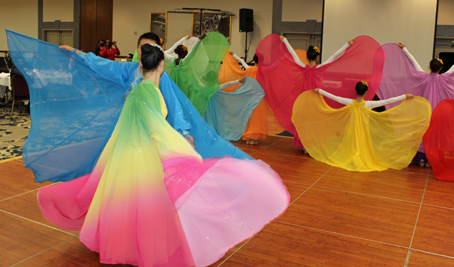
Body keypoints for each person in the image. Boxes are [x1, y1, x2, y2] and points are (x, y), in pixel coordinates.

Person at [37, 42, 290, 266]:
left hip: (128, 155)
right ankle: (149, 247)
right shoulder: (152, 92)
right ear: (161, 66)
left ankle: (126, 244)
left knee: (131, 203)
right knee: (159, 202)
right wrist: (184, 148)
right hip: (147, 155)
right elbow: (156, 128)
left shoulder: (136, 91)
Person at [6, 30, 251, 183]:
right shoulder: (127, 71)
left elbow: (176, 107)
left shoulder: (161, 78)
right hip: (129, 135)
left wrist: (185, 133)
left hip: (152, 137)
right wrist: (77, 53)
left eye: (149, 48)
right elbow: (100, 64)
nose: (142, 52)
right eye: (140, 48)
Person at [377, 43, 454, 167]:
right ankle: (432, 159)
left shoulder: (422, 77)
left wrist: (404, 50)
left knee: (423, 132)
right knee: (436, 134)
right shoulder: (445, 79)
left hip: (424, 112)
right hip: (438, 112)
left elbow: (414, 63)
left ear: (429, 67)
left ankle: (421, 159)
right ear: (441, 68)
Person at [256, 34, 384, 152]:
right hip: (316, 100)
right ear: (317, 57)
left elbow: (291, 53)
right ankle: (310, 145)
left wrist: (285, 41)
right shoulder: (320, 69)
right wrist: (347, 45)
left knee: (305, 122)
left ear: (307, 56)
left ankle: (304, 144)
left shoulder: (302, 66)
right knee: (314, 122)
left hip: (304, 100)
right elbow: (335, 56)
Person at [291, 81, 431, 171]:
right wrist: (404, 96)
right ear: (365, 92)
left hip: (351, 132)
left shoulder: (349, 102)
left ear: (356, 91)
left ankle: (352, 156)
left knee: (352, 147)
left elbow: (333, 97)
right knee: (362, 148)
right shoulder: (369, 104)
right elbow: (386, 101)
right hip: (363, 132)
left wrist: (320, 91)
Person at [218, 51, 283, 145]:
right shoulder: (264, 71)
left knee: (249, 116)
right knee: (256, 118)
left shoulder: (250, 69)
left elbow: (242, 62)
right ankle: (252, 138)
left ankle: (248, 137)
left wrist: (233, 55)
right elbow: (275, 68)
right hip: (259, 98)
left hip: (250, 97)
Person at [204, 76, 266, 141]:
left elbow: (227, 84)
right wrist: (238, 81)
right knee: (212, 122)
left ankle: (206, 135)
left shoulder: (204, 89)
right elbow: (228, 84)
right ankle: (210, 135)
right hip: (211, 111)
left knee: (205, 122)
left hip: (203, 110)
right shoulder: (214, 88)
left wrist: (238, 81)